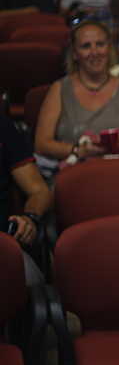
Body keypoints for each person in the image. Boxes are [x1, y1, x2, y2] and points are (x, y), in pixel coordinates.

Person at [34, 20, 119, 179]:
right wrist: (78, 150)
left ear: (109, 48)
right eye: (86, 46)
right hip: (75, 176)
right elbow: (42, 144)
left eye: (100, 44)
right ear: (74, 53)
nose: (95, 52)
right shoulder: (60, 89)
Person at [1, 113, 51, 288]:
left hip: (2, 246)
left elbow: (40, 192)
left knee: (29, 282)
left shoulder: (3, 127)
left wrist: (29, 217)